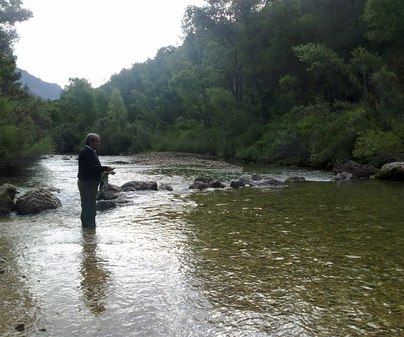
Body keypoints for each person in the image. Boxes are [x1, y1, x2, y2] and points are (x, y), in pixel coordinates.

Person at [77, 133, 114, 229]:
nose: (99, 143)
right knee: (88, 205)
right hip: (87, 183)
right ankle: (89, 229)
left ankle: (88, 232)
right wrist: (105, 168)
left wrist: (105, 171)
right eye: (97, 141)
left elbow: (94, 169)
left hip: (90, 183)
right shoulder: (85, 152)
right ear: (91, 141)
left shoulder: (90, 152)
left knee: (89, 205)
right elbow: (91, 168)